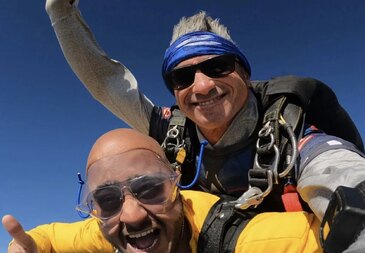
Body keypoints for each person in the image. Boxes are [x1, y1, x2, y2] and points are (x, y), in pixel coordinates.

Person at [2, 128, 365, 253]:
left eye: (149, 189)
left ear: (177, 186)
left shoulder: (252, 248)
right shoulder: (112, 233)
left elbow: (349, 242)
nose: (130, 215)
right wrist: (28, 251)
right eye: (107, 200)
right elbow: (49, 238)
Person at [44, 0, 365, 222]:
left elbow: (337, 170)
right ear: (175, 91)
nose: (202, 86)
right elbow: (109, 85)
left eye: (217, 67)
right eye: (183, 77)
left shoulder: (286, 130)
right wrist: (60, 11)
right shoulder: (174, 132)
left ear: (244, 73)